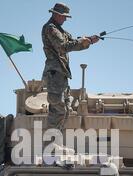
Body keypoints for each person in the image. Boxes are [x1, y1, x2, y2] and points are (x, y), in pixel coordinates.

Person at [42, 3, 99, 131]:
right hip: (55, 73)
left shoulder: (61, 30)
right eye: (64, 16)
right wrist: (84, 42)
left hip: (61, 74)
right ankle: (50, 144)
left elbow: (73, 42)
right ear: (57, 14)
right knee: (58, 108)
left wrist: (89, 40)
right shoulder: (50, 28)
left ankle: (55, 143)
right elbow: (64, 46)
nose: (66, 19)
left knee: (66, 109)